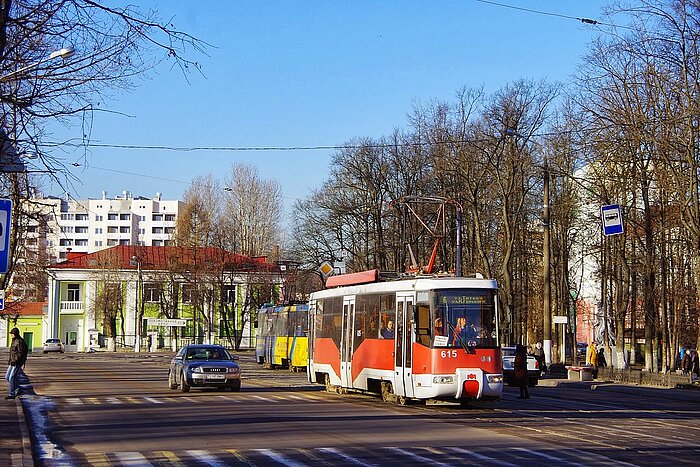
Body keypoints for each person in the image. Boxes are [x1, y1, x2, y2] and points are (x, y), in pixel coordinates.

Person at [5, 328, 28, 400]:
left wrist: (15, 360)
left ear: (15, 334)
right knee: (7, 377)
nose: (11, 335)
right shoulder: (14, 341)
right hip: (12, 362)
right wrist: (10, 361)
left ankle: (12, 394)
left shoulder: (19, 341)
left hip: (17, 362)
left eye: (12, 333)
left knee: (12, 377)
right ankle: (18, 389)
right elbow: (12, 353)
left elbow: (20, 353)